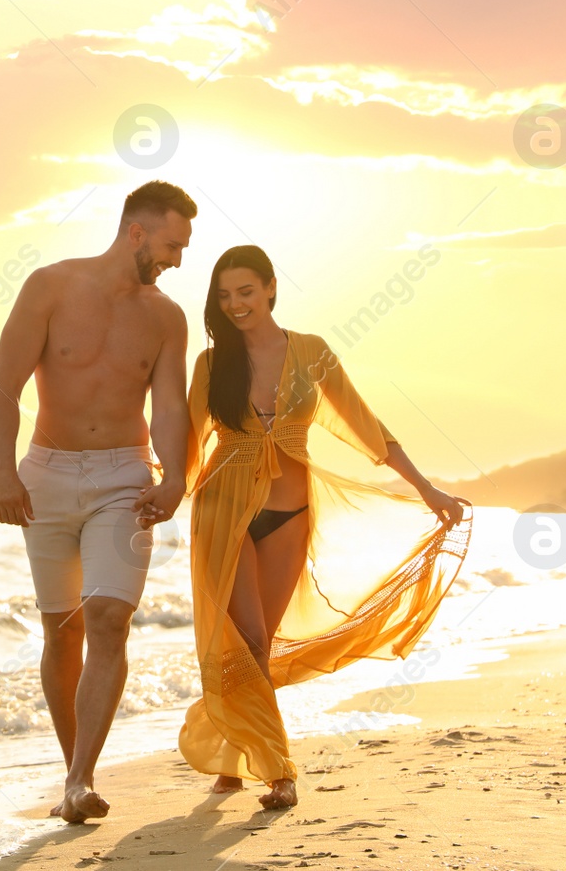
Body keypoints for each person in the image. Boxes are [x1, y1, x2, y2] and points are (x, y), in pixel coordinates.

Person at [180, 245, 471, 809]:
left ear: (269, 288)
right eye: (224, 295)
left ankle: (235, 754)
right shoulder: (211, 364)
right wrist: (152, 492)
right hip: (224, 511)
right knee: (248, 639)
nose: (236, 304)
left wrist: (427, 488)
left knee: (258, 648)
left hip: (289, 511)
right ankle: (278, 770)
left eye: (245, 291)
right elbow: (185, 440)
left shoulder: (311, 352)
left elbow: (367, 425)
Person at [0, 180, 196, 823]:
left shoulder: (166, 317)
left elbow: (169, 408)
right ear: (136, 232)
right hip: (45, 476)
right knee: (62, 627)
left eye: (183, 247)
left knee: (107, 617)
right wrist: (3, 472)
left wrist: (174, 477)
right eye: (170, 244)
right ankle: (71, 770)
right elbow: (4, 390)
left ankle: (80, 782)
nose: (177, 260)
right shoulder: (49, 287)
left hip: (124, 480)